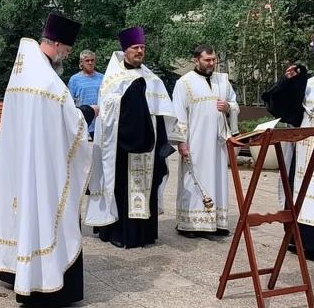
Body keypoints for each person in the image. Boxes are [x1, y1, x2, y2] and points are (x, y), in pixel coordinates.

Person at [0, 13, 97, 307]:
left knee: (23, 215)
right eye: (68, 50)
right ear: (57, 44)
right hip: (43, 167)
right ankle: (46, 282)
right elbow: (71, 124)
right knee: (48, 215)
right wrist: (90, 112)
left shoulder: (22, 75)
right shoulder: (48, 82)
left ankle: (18, 273)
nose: (68, 55)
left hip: (20, 162)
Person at [85, 26, 176, 248]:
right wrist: (129, 98)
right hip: (121, 145)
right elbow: (108, 110)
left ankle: (144, 234)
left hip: (148, 145)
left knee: (147, 187)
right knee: (121, 187)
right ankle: (121, 233)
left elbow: (162, 111)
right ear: (125, 50)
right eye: (136, 47)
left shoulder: (152, 78)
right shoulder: (113, 78)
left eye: (143, 47)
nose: (140, 51)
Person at [169, 44, 239, 238]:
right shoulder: (184, 83)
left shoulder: (223, 80)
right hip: (195, 142)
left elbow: (234, 104)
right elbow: (178, 113)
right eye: (207, 60)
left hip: (218, 143)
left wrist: (228, 107)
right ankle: (190, 224)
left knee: (218, 178)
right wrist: (181, 142)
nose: (211, 63)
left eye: (213, 59)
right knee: (193, 179)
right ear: (196, 60)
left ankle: (217, 222)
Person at [262, 62, 314, 257]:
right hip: (305, 147)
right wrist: (289, 82)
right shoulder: (309, 84)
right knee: (302, 190)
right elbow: (285, 108)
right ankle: (302, 239)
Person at [68, 50, 104, 138]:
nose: (90, 63)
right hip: (83, 122)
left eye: (92, 60)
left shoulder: (102, 78)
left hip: (99, 123)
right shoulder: (74, 80)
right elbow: (69, 102)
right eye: (87, 61)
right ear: (81, 62)